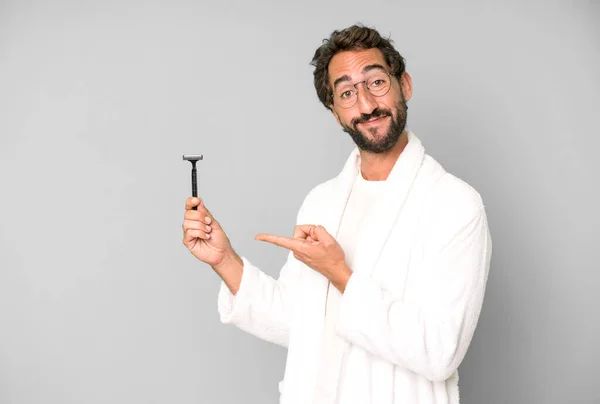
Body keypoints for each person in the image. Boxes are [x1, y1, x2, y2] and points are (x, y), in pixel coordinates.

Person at [182, 24, 492, 404]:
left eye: (376, 82)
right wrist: (225, 260)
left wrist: (340, 274)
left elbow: (440, 351)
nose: (365, 105)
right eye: (347, 93)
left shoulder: (455, 205)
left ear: (404, 85)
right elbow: (300, 322)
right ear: (335, 113)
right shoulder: (322, 202)